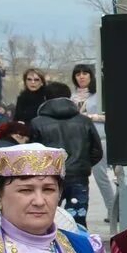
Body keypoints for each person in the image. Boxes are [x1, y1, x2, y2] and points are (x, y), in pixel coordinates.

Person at [29, 96, 103, 227]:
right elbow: (97, 151)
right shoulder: (84, 121)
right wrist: (83, 163)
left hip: (48, 175)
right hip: (78, 176)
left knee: (46, 216)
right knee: (78, 218)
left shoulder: (36, 123)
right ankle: (77, 245)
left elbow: (31, 151)